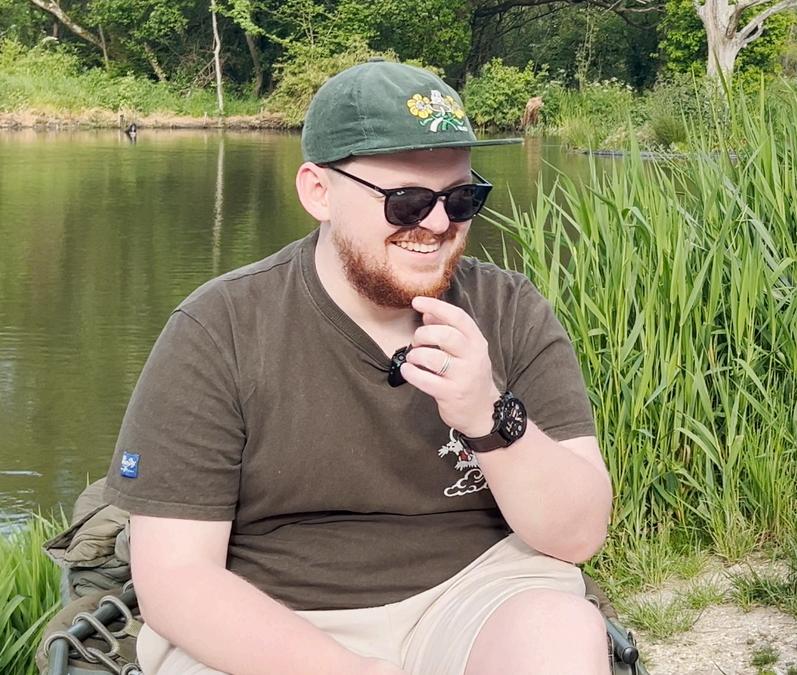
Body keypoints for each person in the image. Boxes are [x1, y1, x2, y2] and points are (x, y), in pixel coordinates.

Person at [104, 59, 613, 675]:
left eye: (462, 198)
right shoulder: (220, 328)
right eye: (406, 201)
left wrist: (488, 416)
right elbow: (176, 578)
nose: (437, 224)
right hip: (273, 613)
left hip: (478, 591)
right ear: (318, 192)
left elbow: (578, 534)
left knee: (560, 635)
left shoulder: (508, 309)